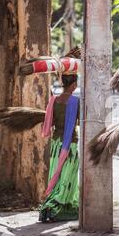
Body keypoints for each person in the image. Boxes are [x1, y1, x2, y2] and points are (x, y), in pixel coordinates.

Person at [39, 73, 80, 222]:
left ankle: (49, 206)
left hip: (56, 144)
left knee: (55, 174)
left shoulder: (54, 100)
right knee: (68, 176)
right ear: (74, 85)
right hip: (71, 145)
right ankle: (58, 207)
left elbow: (49, 124)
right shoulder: (76, 101)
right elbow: (80, 122)